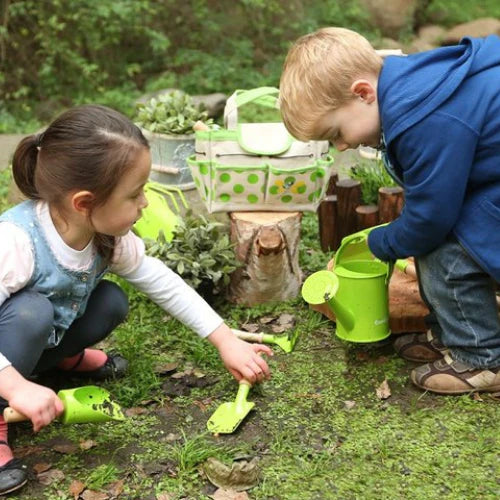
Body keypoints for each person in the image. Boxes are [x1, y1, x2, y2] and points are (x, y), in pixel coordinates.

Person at [0, 105, 272, 495]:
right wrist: (14, 388)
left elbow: (161, 281)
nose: (144, 203)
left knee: (111, 301)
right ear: (84, 202)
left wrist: (224, 339)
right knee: (32, 313)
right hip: (10, 342)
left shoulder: (107, 236)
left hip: (41, 337)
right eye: (134, 194)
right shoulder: (16, 241)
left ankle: (54, 360)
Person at [279, 27, 500, 396]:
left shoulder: (423, 118)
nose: (341, 146)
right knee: (438, 240)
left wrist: (382, 241)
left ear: (363, 93)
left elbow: (430, 218)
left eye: (335, 133)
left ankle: (481, 357)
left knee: (450, 252)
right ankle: (454, 334)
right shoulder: (412, 86)